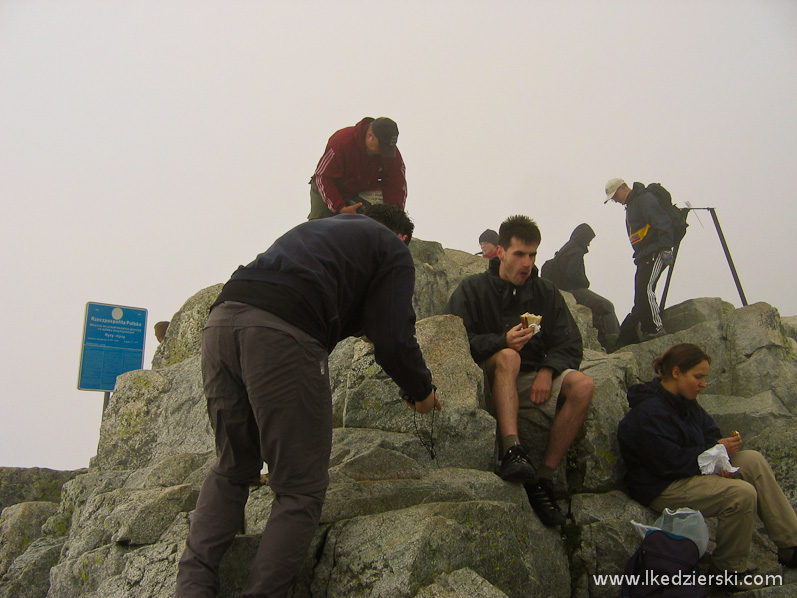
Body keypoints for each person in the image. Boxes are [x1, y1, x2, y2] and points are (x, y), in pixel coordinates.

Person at [175, 204, 441, 598]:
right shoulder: (393, 248)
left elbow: (325, 291)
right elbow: (393, 340)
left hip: (222, 322)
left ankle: (192, 588)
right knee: (300, 488)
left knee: (233, 466)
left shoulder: (321, 231)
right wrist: (420, 391)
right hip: (281, 334)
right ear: (402, 237)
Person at [444, 215, 594, 526]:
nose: (527, 263)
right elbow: (456, 340)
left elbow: (570, 342)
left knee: (582, 385)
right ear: (500, 252)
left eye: (533, 255)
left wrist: (548, 370)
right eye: (519, 254)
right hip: (485, 376)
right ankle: (513, 450)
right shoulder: (472, 289)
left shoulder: (545, 292)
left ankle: (544, 478)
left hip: (529, 380)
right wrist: (503, 341)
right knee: (509, 357)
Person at [617, 343, 797, 587]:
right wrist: (712, 454)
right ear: (677, 372)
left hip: (690, 469)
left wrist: (720, 455)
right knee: (741, 494)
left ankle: (791, 544)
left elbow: (711, 433)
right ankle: (728, 573)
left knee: (752, 459)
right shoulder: (648, 412)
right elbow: (669, 464)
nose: (703, 384)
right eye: (698, 377)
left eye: (705, 378)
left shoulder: (686, 401)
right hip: (661, 486)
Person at [605, 178, 675, 344]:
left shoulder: (643, 199)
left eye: (615, 195)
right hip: (645, 254)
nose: (615, 200)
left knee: (646, 288)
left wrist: (665, 248)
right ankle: (647, 329)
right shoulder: (633, 204)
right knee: (640, 293)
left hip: (656, 250)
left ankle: (656, 328)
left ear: (624, 187)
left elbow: (661, 220)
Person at [540, 223, 620, 351]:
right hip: (575, 290)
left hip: (565, 291)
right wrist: (585, 282)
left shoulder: (565, 250)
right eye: (588, 240)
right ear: (583, 237)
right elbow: (571, 273)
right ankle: (614, 338)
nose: (588, 244)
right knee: (608, 306)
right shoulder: (576, 250)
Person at [308, 117, 406, 220]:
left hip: (360, 191)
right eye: (381, 146)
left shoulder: (391, 154)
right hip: (329, 189)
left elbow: (397, 185)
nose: (384, 152)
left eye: (388, 148)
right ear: (370, 135)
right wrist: (340, 208)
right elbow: (322, 177)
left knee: (387, 217)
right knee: (319, 227)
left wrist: (394, 219)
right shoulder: (341, 142)